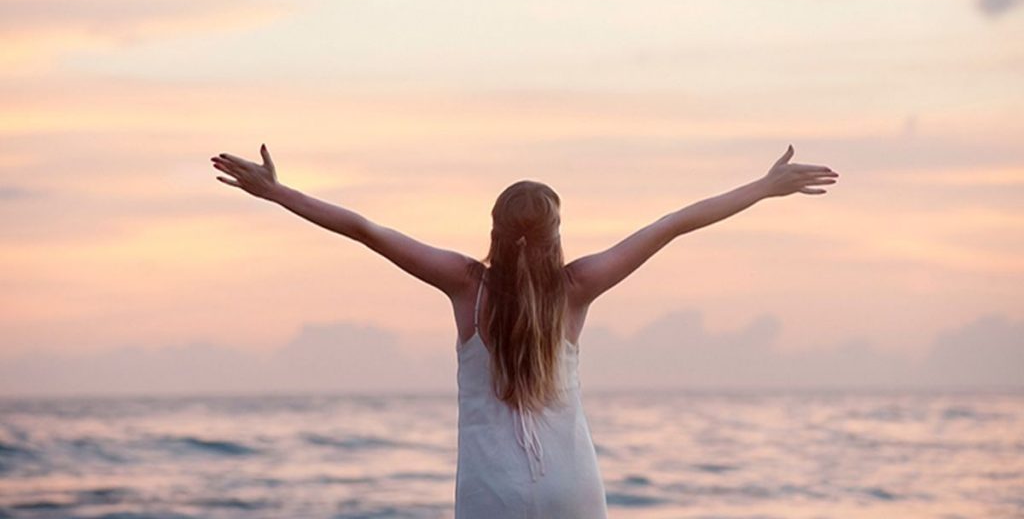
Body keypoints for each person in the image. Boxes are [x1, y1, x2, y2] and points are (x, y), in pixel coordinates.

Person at [210, 144, 839, 517]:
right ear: (556, 231)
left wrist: (278, 193)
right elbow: (673, 223)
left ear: (494, 226)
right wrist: (763, 188)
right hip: (571, 483)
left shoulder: (465, 285)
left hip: (492, 491)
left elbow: (366, 230)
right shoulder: (579, 285)